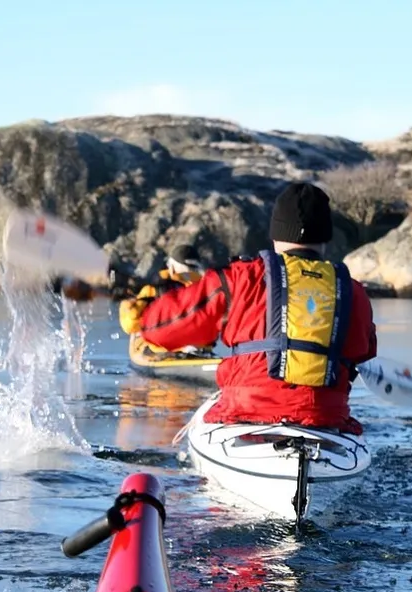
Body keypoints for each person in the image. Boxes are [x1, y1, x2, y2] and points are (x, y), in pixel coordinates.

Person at [126, 181, 378, 434]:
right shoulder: (353, 291)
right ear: (325, 237)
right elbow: (363, 351)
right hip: (326, 420)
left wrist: (145, 315)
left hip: (245, 414)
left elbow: (160, 329)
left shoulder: (240, 277)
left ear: (276, 233)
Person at [118, 244, 214, 357]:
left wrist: (130, 306)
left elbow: (130, 324)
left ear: (171, 268)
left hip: (163, 349)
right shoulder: (210, 288)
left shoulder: (155, 287)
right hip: (199, 348)